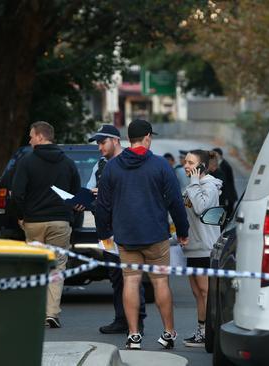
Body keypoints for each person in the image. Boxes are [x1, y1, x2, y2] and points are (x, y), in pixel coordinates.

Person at [95, 119, 189, 350]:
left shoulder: (112, 167)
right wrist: (183, 231)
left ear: (128, 139)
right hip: (156, 235)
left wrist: (104, 233)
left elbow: (102, 205)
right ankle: (168, 333)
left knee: (130, 281)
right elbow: (176, 201)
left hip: (125, 236)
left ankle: (134, 335)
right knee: (160, 283)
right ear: (147, 137)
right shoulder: (160, 165)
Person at [12, 121, 81, 329]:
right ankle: (51, 313)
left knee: (35, 267)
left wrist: (22, 216)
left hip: (33, 222)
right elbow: (76, 196)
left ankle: (35, 311)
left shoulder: (26, 161)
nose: (30, 140)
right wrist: (70, 218)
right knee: (57, 267)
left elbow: (17, 194)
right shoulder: (67, 163)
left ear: (41, 137)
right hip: (60, 222)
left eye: (31, 136)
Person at [85, 124, 147, 335]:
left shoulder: (131, 162)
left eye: (102, 142)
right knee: (116, 276)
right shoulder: (100, 166)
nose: (99, 147)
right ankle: (121, 319)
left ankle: (137, 321)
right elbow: (88, 189)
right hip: (107, 229)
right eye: (98, 143)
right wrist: (85, 198)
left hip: (129, 228)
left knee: (133, 276)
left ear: (116, 140)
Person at [180, 149, 222, 347]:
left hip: (206, 248)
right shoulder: (192, 186)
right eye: (185, 162)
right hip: (192, 248)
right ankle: (201, 331)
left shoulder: (210, 187)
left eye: (190, 162)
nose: (185, 166)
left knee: (206, 293)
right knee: (198, 293)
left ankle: (208, 333)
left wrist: (194, 184)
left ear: (202, 166)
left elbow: (200, 208)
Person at [212, 147, 238, 218]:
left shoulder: (225, 166)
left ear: (220, 155)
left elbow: (225, 183)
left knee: (226, 216)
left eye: (215, 155)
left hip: (228, 195)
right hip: (225, 195)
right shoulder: (218, 164)